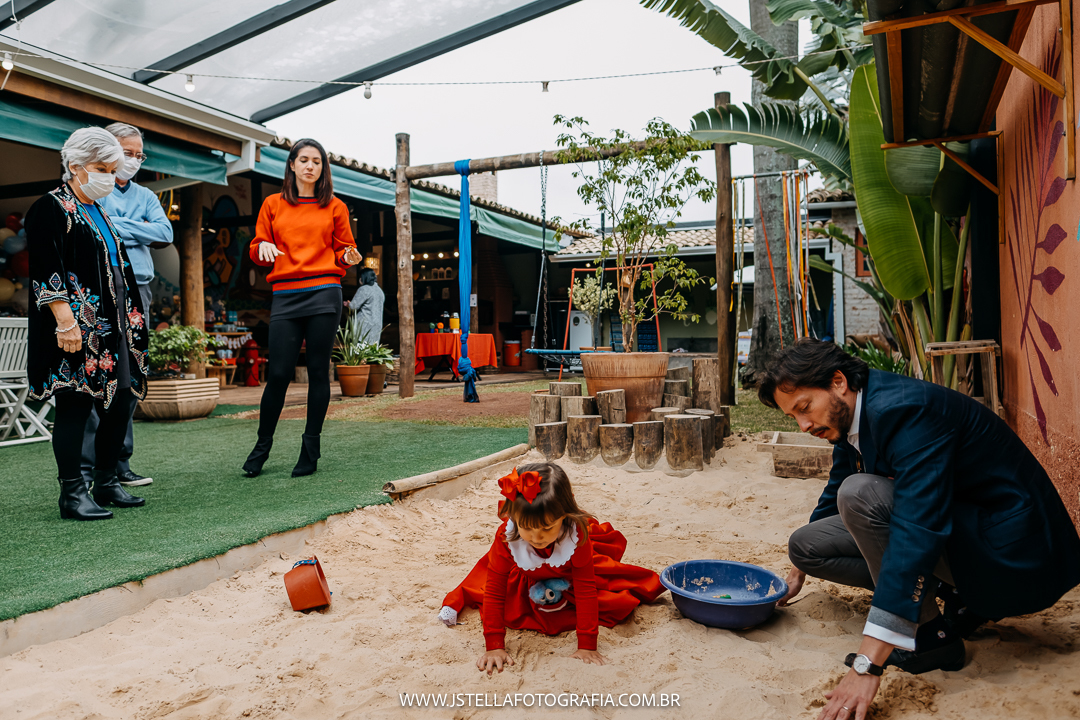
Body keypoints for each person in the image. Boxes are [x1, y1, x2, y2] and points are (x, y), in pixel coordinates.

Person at [758, 339, 1080, 720]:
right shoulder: (851, 415)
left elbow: (916, 530)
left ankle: (930, 639)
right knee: (807, 545)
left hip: (1017, 558)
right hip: (969, 535)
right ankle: (954, 598)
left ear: (839, 381)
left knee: (860, 495)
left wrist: (867, 665)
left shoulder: (905, 410)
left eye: (804, 408)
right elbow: (836, 485)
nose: (804, 424)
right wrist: (798, 574)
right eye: (793, 417)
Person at [25, 127, 149, 520]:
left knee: (121, 400)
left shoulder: (99, 211)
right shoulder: (50, 207)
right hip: (75, 331)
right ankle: (72, 494)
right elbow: (47, 272)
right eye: (101, 168)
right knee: (75, 406)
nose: (110, 177)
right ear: (75, 167)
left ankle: (107, 482)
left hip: (115, 329)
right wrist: (65, 321)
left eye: (113, 169)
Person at [438, 463, 665, 674]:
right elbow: (495, 591)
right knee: (492, 594)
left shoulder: (576, 536)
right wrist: (494, 646)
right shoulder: (506, 537)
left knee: (614, 600)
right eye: (527, 528)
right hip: (525, 576)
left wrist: (587, 645)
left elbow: (586, 590)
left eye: (547, 528)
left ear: (564, 517)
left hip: (568, 575)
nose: (537, 537)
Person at [243, 138, 361, 478]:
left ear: (323, 169)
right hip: (285, 295)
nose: (311, 166)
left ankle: (310, 449)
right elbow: (257, 247)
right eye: (304, 160)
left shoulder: (335, 206)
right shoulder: (272, 205)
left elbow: (344, 250)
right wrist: (262, 245)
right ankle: (262, 446)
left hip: (325, 292)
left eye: (317, 161)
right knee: (278, 374)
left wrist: (348, 257)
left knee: (317, 371)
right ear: (292, 165)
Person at [78, 122, 173, 490]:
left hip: (140, 290)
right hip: (100, 290)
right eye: (126, 152)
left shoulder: (147, 196)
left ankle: (120, 462)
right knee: (96, 372)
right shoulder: (93, 186)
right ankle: (89, 468)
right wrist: (138, 227)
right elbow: (93, 227)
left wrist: (119, 224)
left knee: (130, 373)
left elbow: (165, 234)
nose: (132, 160)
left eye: (138, 154)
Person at [348, 267, 384, 345]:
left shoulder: (364, 289)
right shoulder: (379, 290)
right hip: (376, 327)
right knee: (371, 352)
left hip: (364, 327)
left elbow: (353, 306)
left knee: (360, 353)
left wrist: (348, 304)